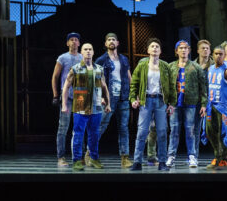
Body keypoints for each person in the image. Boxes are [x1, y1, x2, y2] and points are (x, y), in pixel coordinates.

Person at [62, 42, 111, 170]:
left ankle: (94, 159)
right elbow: (66, 87)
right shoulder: (75, 68)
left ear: (93, 52)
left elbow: (105, 87)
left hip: (96, 107)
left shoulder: (99, 69)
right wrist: (64, 104)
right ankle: (77, 160)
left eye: (90, 49)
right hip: (80, 107)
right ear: (82, 52)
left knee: (94, 134)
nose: (88, 51)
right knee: (78, 134)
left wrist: (108, 103)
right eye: (85, 49)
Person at [129, 38, 175, 171]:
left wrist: (171, 103)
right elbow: (134, 84)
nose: (154, 48)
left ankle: (162, 162)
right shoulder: (142, 65)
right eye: (152, 46)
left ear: (160, 51)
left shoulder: (165, 66)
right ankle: (137, 161)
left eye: (157, 47)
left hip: (160, 101)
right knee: (142, 132)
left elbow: (171, 86)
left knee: (161, 132)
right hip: (146, 101)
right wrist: (133, 99)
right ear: (148, 50)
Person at [93, 32, 132, 168]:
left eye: (113, 39)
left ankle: (125, 157)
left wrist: (133, 94)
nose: (111, 41)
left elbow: (128, 76)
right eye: (109, 39)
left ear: (117, 43)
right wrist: (100, 97)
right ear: (105, 44)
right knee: (101, 126)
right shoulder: (100, 60)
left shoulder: (124, 59)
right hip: (108, 98)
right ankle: (89, 153)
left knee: (123, 128)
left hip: (123, 97)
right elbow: (96, 81)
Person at [167, 40, 206, 168]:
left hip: (190, 103)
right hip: (174, 103)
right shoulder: (171, 66)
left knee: (190, 131)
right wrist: (168, 103)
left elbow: (203, 87)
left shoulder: (196, 67)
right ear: (176, 51)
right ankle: (171, 156)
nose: (183, 50)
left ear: (189, 50)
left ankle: (192, 156)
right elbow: (166, 86)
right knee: (174, 131)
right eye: (181, 48)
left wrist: (204, 104)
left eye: (186, 48)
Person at [51, 32, 83, 166]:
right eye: (71, 40)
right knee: (63, 128)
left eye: (76, 40)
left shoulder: (83, 57)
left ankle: (78, 156)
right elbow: (55, 77)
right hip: (67, 97)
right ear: (67, 43)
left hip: (81, 97)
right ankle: (61, 157)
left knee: (79, 128)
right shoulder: (62, 58)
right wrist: (55, 95)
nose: (74, 42)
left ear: (79, 43)